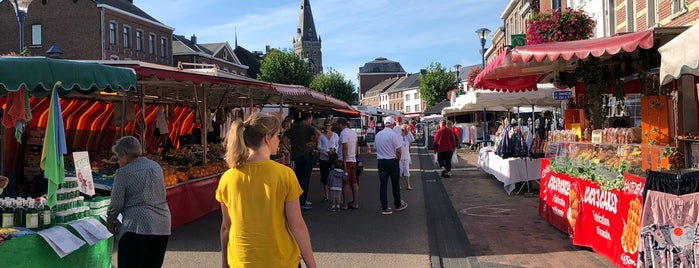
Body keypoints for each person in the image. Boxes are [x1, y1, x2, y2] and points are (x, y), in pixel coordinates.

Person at [216, 112, 316, 268]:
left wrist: (224, 263)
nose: (279, 140)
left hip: (241, 261)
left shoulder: (228, 178)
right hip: (281, 261)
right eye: (277, 135)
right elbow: (296, 225)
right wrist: (312, 264)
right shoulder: (285, 175)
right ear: (267, 138)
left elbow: (226, 227)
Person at [106, 136, 171, 268]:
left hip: (136, 226)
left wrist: (110, 220)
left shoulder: (124, 172)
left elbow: (116, 203)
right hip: (162, 224)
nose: (118, 161)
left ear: (124, 154)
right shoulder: (155, 166)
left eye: (118, 157)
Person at [375, 117, 408, 215]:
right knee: (395, 184)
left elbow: (375, 147)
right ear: (393, 124)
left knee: (383, 185)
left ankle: (384, 207)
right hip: (392, 161)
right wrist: (397, 160)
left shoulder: (378, 135)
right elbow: (398, 150)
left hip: (381, 161)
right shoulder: (394, 135)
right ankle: (397, 204)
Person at [287, 112, 320, 211]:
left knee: (297, 178)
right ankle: (303, 202)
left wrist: (290, 149)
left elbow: (284, 140)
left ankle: (296, 200)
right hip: (306, 155)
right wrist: (313, 143)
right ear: (309, 119)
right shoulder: (307, 127)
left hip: (296, 156)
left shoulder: (293, 127)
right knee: (305, 179)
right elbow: (318, 133)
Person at [336, 117, 359, 210]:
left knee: (345, 182)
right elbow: (356, 146)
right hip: (353, 159)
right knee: (354, 181)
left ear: (341, 124)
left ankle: (345, 204)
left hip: (346, 160)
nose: (337, 126)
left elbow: (345, 147)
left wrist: (344, 161)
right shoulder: (353, 132)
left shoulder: (343, 133)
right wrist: (355, 157)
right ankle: (355, 202)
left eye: (338, 124)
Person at [316, 120, 339, 202]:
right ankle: (326, 196)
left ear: (331, 126)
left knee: (333, 176)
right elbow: (319, 147)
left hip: (333, 158)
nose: (327, 127)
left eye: (329, 126)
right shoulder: (321, 136)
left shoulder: (335, 135)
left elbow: (337, 144)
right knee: (324, 177)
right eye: (326, 125)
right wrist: (326, 150)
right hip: (323, 159)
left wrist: (334, 150)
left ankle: (334, 195)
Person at [399, 124, 414, 190]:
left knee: (407, 171)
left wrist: (409, 131)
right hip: (400, 157)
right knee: (399, 171)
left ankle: (408, 185)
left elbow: (412, 139)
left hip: (406, 156)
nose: (407, 131)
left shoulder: (407, 137)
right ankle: (398, 185)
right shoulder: (398, 137)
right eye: (406, 130)